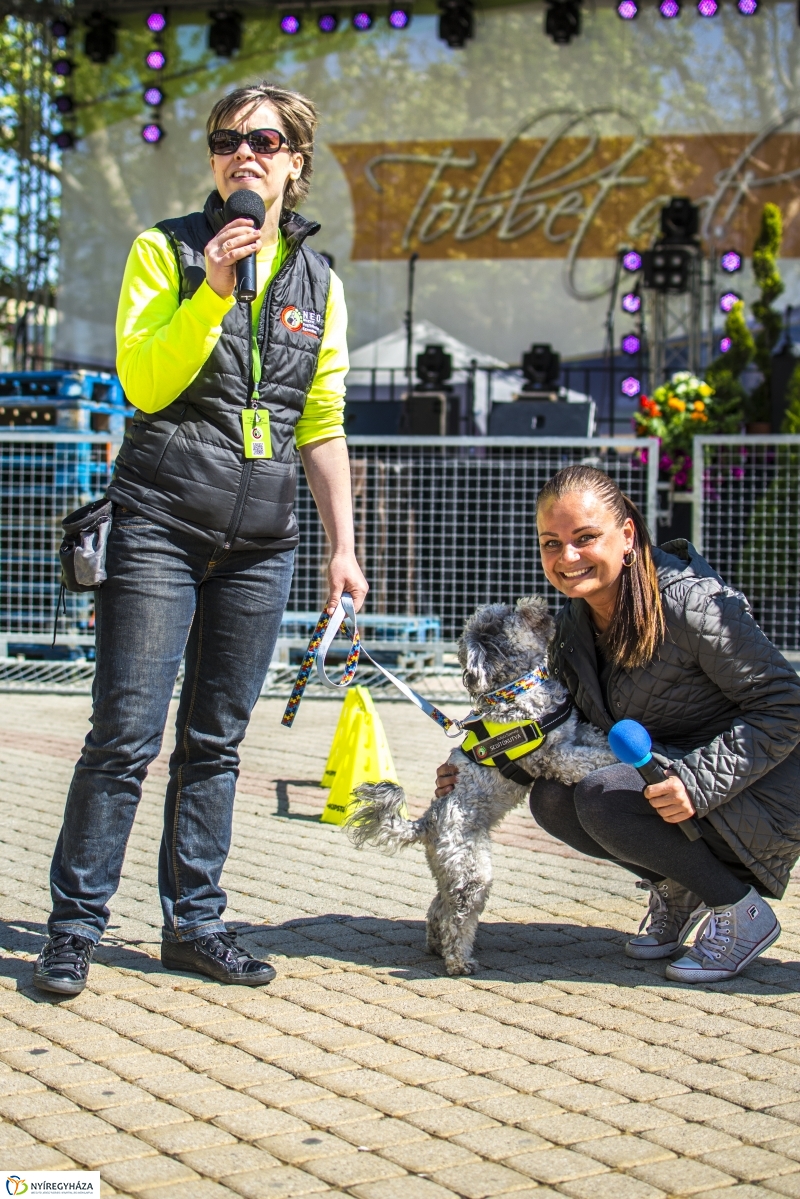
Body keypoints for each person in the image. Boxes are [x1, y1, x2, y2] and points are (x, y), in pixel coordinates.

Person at [34, 82, 368, 996]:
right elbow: (144, 383)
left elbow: (323, 420)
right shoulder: (164, 250)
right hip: (159, 525)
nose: (243, 153)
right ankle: (74, 926)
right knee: (125, 735)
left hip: (263, 542)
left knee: (217, 741)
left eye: (264, 139)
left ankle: (195, 920)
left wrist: (344, 547)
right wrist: (212, 289)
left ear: (296, 161)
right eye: (227, 139)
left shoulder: (321, 283)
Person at [436, 464, 800, 983]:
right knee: (553, 798)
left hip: (763, 786)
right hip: (670, 781)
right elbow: (555, 724)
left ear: (627, 534)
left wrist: (695, 782)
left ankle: (741, 912)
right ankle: (681, 885)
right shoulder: (572, 625)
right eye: (551, 544)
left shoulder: (690, 604)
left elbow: (785, 705)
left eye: (585, 538)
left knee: (602, 794)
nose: (567, 558)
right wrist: (470, 758)